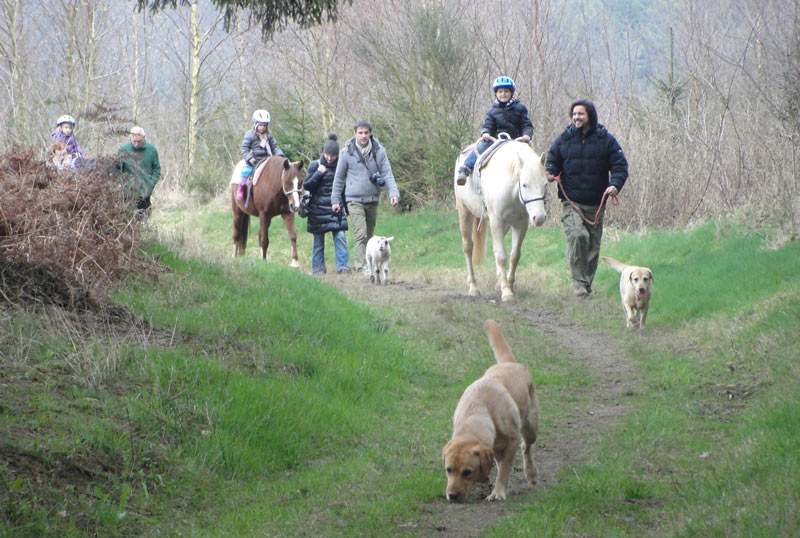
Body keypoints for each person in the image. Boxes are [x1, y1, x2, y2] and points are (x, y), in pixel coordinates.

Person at [545, 99, 628, 297]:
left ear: (589, 115)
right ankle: (579, 284)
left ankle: (586, 285)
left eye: (580, 114)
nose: (576, 117)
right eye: (574, 114)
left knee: (592, 245)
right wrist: (549, 173)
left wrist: (615, 185)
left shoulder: (605, 139)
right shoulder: (564, 139)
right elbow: (552, 161)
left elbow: (620, 166)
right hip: (571, 201)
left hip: (596, 202)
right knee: (577, 236)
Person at [331, 121, 400, 275]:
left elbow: (387, 173)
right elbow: (339, 178)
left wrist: (393, 193)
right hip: (353, 199)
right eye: (360, 133)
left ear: (370, 133)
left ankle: (370, 264)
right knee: (360, 233)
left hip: (372, 198)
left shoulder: (379, 151)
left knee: (370, 236)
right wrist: (335, 200)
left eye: (366, 133)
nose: (363, 136)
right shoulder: (346, 152)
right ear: (355, 133)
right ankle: (361, 265)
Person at [456, 76, 534, 185]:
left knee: (532, 158)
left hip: (516, 140)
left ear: (511, 93)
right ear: (496, 93)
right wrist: (485, 133)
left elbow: (527, 124)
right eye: (500, 91)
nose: (503, 94)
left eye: (506, 91)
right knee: (481, 146)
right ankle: (465, 169)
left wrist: (527, 135)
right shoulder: (492, 111)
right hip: (496, 140)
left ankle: (538, 184)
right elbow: (488, 125)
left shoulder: (520, 108)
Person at [303, 134, 349, 275]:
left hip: (336, 209)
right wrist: (318, 173)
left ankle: (343, 268)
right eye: (327, 155)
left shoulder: (342, 166)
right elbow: (307, 185)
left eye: (333, 156)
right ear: (323, 153)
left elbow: (345, 190)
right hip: (317, 211)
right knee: (318, 242)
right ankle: (318, 271)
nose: (329, 158)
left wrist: (347, 209)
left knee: (340, 237)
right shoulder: (315, 165)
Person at [237, 109, 284, 200]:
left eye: (264, 125)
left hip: (267, 160)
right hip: (255, 160)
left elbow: (275, 147)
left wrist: (280, 155)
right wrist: (249, 158)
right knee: (245, 171)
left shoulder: (269, 136)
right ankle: (241, 189)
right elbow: (244, 149)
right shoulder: (250, 135)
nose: (262, 127)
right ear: (256, 124)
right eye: (260, 125)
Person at [118, 126, 162, 218]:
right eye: (134, 141)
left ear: (144, 138)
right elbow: (117, 169)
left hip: (145, 192)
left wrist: (150, 184)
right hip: (128, 193)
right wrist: (122, 184)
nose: (137, 144)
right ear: (131, 138)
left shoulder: (152, 150)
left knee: (144, 219)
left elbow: (157, 170)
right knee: (129, 219)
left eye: (139, 141)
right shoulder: (123, 150)